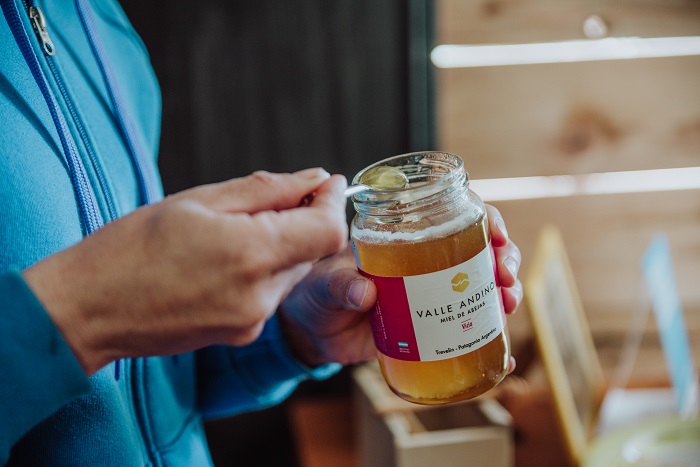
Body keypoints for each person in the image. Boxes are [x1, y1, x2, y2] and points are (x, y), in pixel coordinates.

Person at [0, 0, 523, 465]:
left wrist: (293, 334)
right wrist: (81, 315)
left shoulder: (101, 22)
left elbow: (145, 384)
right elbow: (97, 327)